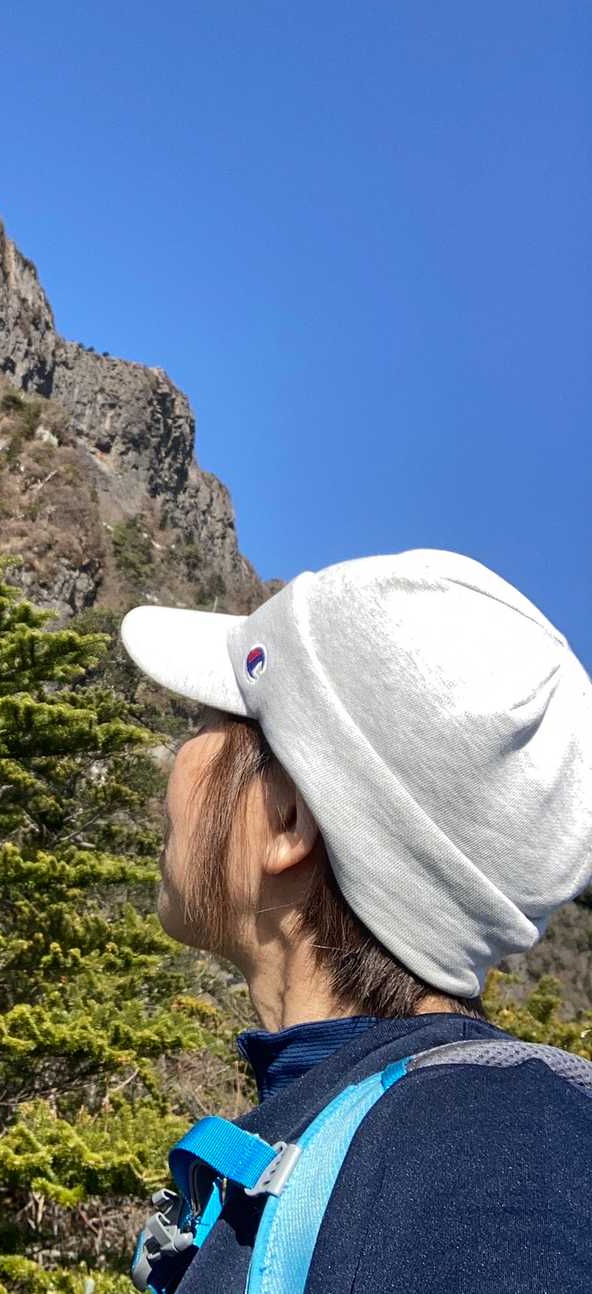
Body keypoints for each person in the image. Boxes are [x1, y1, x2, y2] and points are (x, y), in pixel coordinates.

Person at [119, 547, 592, 1293]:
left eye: (205, 719)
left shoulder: (491, 1167)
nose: (177, 764)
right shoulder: (420, 1138)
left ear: (288, 819)